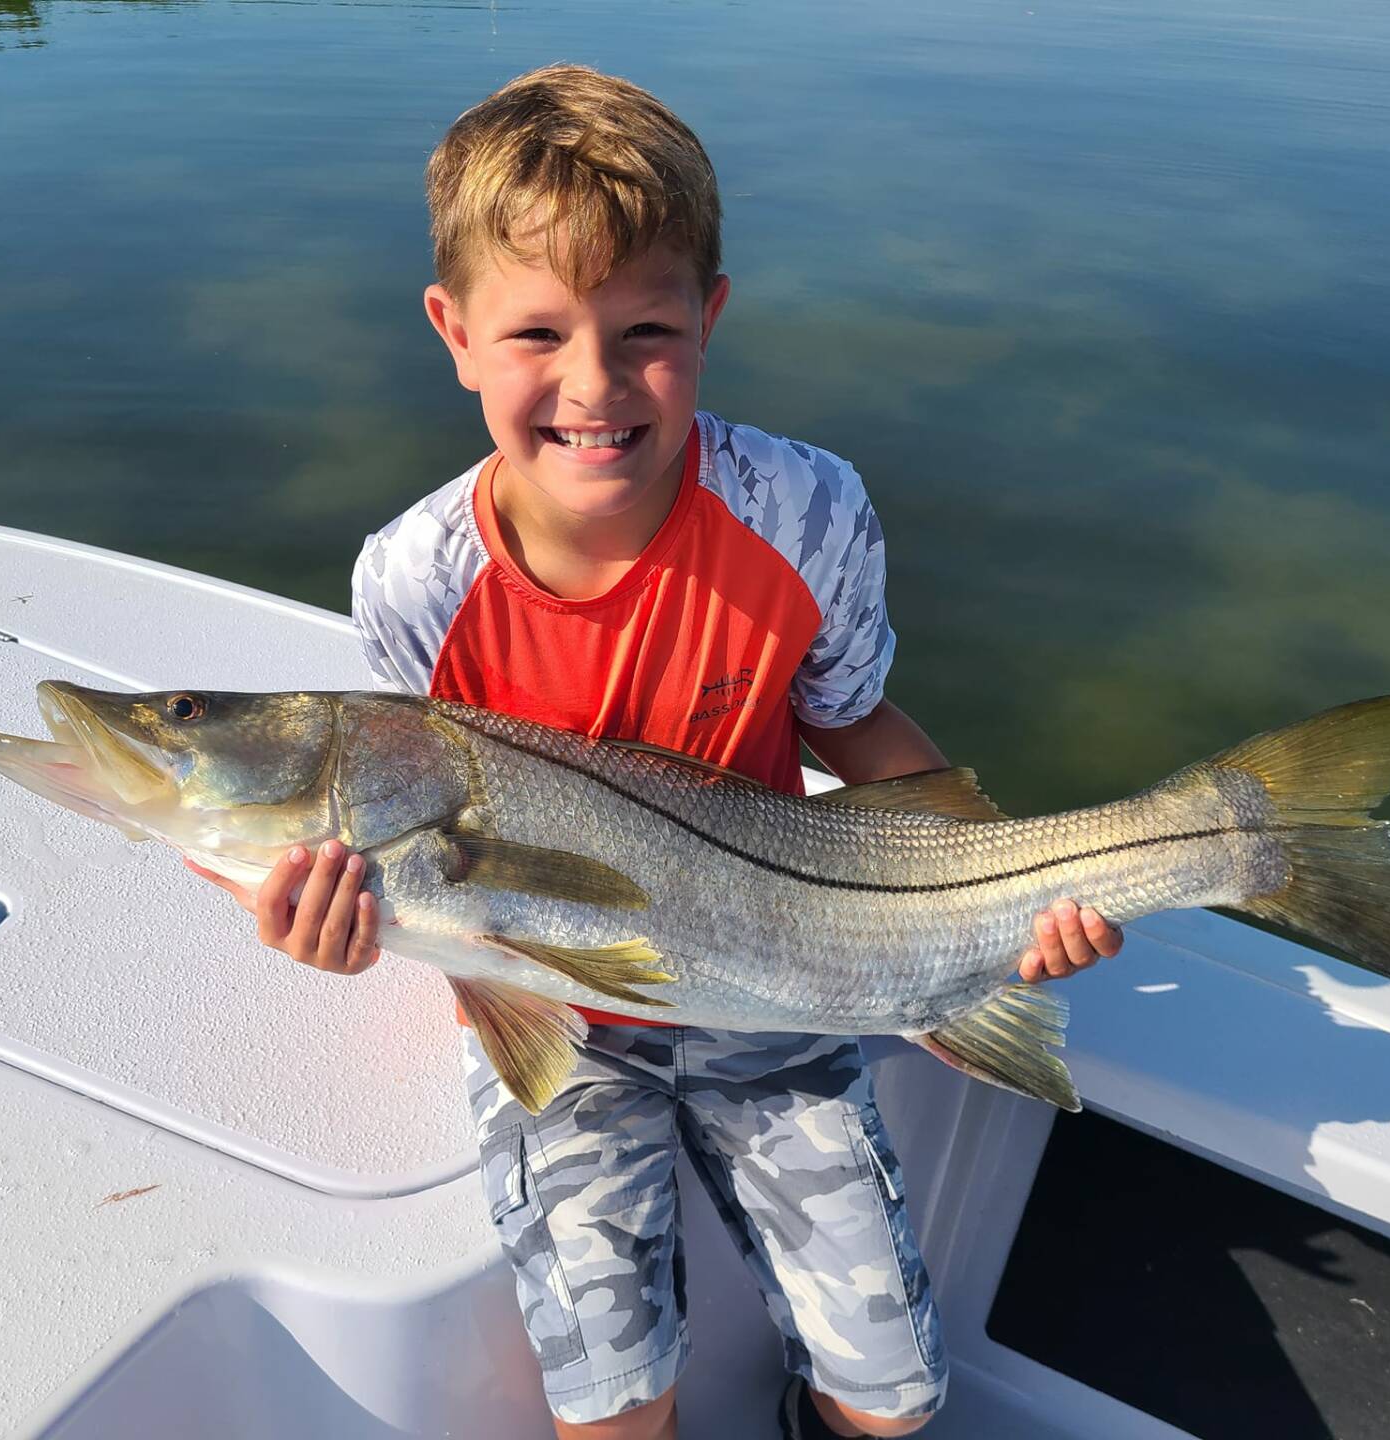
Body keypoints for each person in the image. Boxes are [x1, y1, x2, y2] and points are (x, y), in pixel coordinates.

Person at [185, 64, 1122, 1440]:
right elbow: (402, 830)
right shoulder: (412, 581)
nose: (593, 385)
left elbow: (859, 729)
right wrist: (332, 926)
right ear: (450, 331)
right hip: (551, 1025)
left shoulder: (801, 509)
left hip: (787, 988)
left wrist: (1005, 898)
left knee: (897, 1395)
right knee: (613, 1410)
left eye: (645, 331)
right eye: (536, 334)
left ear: (711, 317)